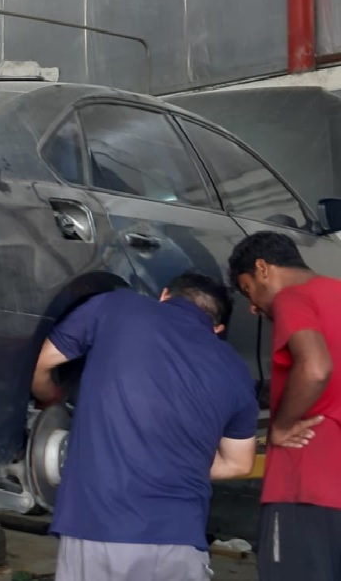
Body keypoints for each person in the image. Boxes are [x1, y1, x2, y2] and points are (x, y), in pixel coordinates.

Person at [31, 272, 260, 581]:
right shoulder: (236, 369)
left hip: (101, 527)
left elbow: (43, 362)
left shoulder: (116, 306)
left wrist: (51, 399)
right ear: (217, 328)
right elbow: (239, 464)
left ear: (164, 295)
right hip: (182, 541)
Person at [227, 231, 340, 581]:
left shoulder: (291, 298)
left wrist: (282, 426)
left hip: (305, 485)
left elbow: (316, 368)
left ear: (263, 268)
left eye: (248, 289)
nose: (253, 306)